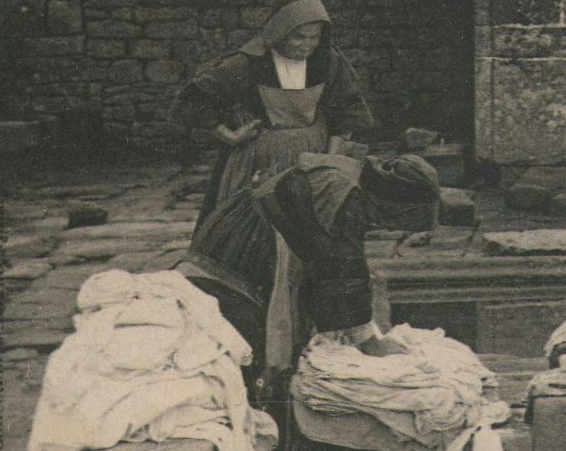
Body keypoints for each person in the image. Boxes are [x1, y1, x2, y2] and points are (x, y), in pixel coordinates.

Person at [181, 152, 439, 387]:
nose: (391, 229)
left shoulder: (358, 176)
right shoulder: (344, 196)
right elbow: (343, 269)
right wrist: (368, 340)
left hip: (249, 222)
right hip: (250, 239)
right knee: (242, 325)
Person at [173, 0, 376, 237]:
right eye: (299, 37)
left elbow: (346, 109)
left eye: (314, 37)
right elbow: (194, 99)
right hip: (262, 160)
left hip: (315, 155)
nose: (307, 45)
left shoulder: (327, 60)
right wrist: (230, 136)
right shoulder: (250, 62)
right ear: (280, 32)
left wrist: (329, 161)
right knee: (255, 232)